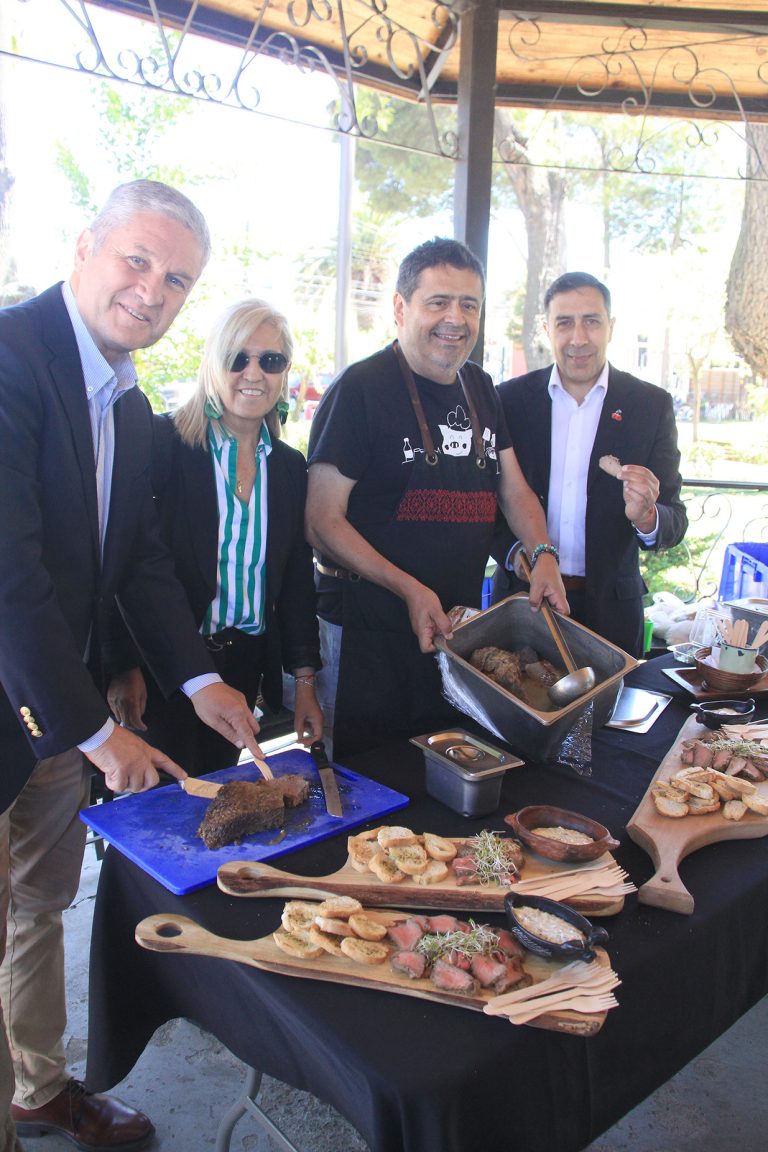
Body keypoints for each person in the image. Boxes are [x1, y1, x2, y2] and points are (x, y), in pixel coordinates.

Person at [0, 180, 265, 1152]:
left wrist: (201, 681)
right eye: (137, 261)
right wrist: (99, 734)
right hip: (40, 706)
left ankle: (37, 1088)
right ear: (85, 249)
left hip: (57, 719)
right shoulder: (10, 357)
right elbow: (9, 574)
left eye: (178, 279)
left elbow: (140, 560)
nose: (153, 291)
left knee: (39, 911)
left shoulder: (130, 400)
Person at [305, 237, 567, 759]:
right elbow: (321, 521)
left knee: (443, 766)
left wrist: (542, 554)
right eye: (438, 302)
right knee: (364, 777)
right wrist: (408, 588)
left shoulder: (480, 387)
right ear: (401, 308)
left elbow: (513, 489)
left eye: (469, 305)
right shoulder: (360, 389)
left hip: (458, 629)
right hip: (367, 631)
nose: (455, 319)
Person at [105, 299, 323, 772]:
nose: (253, 373)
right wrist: (123, 665)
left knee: (221, 795)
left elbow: (295, 585)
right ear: (212, 365)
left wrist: (305, 683)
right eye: (237, 358)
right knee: (165, 802)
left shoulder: (289, 467)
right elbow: (125, 561)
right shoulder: (163, 444)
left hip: (243, 668)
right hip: (162, 670)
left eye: (270, 360)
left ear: (284, 372)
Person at [491, 271, 688, 658]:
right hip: (522, 602)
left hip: (610, 614)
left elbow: (674, 520)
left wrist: (647, 516)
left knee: (609, 701)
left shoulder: (649, 406)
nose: (578, 338)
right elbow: (489, 501)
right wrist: (518, 556)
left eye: (591, 321)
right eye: (564, 323)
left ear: (611, 327)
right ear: (547, 329)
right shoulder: (508, 401)